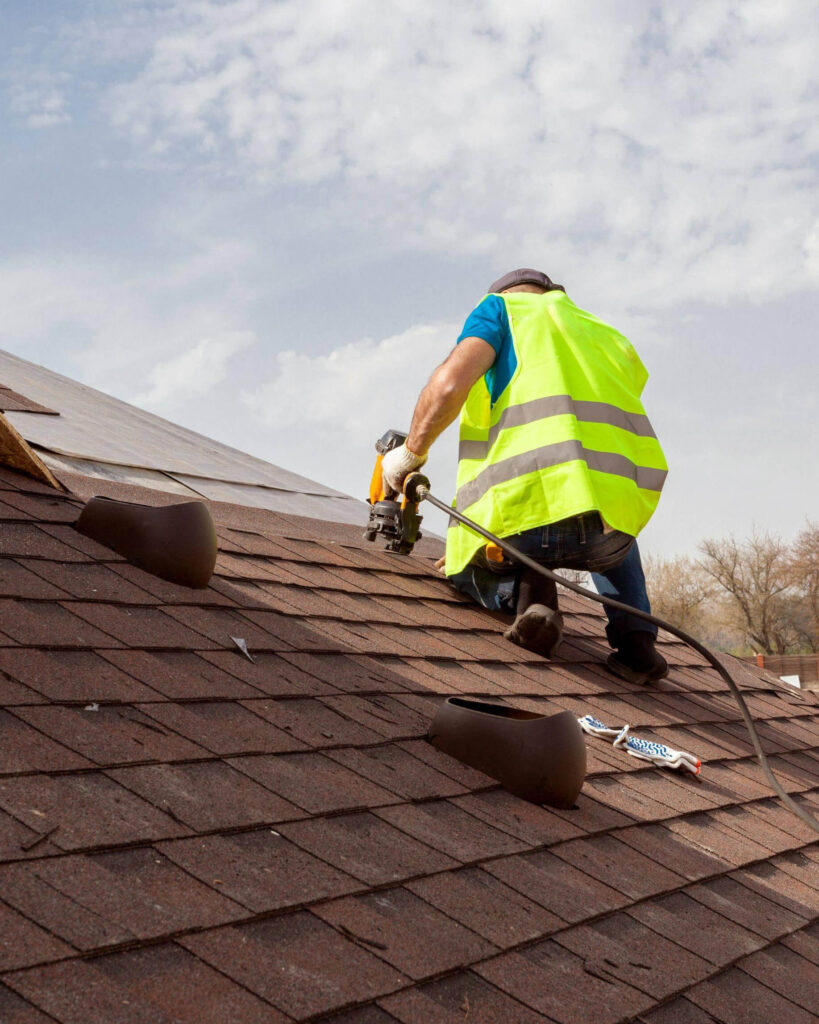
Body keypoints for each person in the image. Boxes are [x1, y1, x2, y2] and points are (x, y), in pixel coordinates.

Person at [381, 268, 669, 684]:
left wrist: (409, 455)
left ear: (507, 295)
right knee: (603, 514)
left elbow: (447, 387)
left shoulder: (501, 311)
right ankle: (637, 643)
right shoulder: (603, 332)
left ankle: (534, 601)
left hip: (528, 524)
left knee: (467, 564)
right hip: (614, 530)